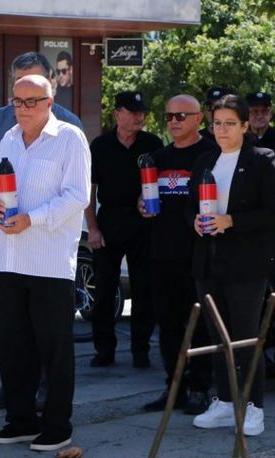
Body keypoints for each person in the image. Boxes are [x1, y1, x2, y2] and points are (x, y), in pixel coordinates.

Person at [0, 74, 90, 451]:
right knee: (13, 346)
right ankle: (20, 421)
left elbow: (77, 196)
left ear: (49, 102)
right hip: (10, 259)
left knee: (54, 348)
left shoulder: (70, 138)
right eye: (18, 101)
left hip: (50, 261)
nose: (23, 108)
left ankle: (58, 426)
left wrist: (34, 218)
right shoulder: (9, 138)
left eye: (32, 101)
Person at [188, 94, 275, 436]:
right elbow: (188, 207)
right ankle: (225, 401)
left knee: (246, 337)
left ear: (244, 125)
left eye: (229, 123)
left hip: (246, 265)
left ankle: (254, 407)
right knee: (217, 336)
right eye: (217, 123)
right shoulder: (205, 161)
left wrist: (231, 221)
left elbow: (270, 213)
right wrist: (194, 222)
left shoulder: (262, 160)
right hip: (208, 261)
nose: (222, 130)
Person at [139, 95, 216, 415]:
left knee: (199, 325)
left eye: (181, 116)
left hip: (198, 255)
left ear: (199, 118)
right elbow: (146, 198)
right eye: (169, 116)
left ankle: (200, 388)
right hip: (162, 254)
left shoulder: (211, 154)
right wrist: (142, 205)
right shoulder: (159, 157)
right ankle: (174, 387)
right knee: (168, 326)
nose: (173, 121)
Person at [86, 91, 163, 368]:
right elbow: (89, 190)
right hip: (109, 220)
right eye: (133, 112)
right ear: (117, 114)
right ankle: (104, 349)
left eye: (142, 112)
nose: (139, 117)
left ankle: (141, 350)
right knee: (105, 288)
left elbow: (160, 182)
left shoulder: (152, 144)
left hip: (143, 222)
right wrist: (92, 228)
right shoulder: (100, 145)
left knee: (144, 288)